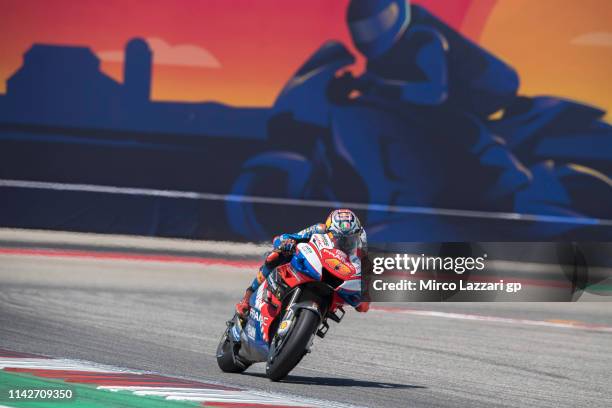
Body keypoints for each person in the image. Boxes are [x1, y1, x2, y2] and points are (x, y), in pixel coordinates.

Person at [235, 209, 370, 317]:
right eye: (340, 239)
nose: (346, 244)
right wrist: (286, 244)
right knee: (273, 256)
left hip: (337, 278)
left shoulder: (361, 247)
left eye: (350, 240)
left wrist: (363, 295)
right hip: (311, 264)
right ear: (328, 232)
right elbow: (283, 238)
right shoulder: (319, 229)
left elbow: (364, 300)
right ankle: (246, 298)